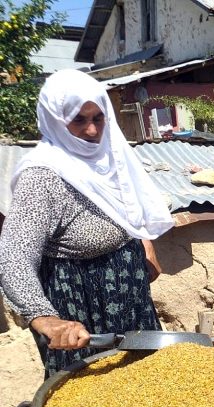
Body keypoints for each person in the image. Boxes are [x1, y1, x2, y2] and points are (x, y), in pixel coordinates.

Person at [0, 69, 174, 378]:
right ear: (55, 120)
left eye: (98, 118)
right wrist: (46, 319)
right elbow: (14, 258)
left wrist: (143, 242)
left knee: (146, 382)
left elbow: (128, 207)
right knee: (91, 395)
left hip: (128, 290)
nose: (92, 130)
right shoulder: (42, 176)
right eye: (79, 120)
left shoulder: (111, 155)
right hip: (80, 304)